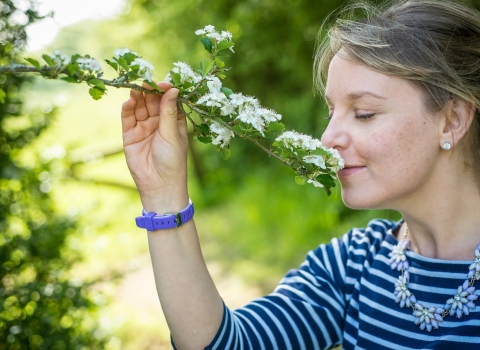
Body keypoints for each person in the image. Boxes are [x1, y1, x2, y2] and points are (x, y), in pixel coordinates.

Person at [120, 0, 480, 348]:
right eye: (331, 112)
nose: (328, 139)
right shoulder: (351, 266)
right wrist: (163, 194)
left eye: (364, 113)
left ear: (452, 121)